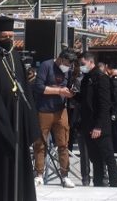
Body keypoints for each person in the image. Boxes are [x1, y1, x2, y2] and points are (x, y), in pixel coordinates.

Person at [0, 16, 40, 200]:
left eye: (11, 36)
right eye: (5, 36)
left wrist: (30, 122)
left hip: (16, 118)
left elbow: (26, 90)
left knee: (17, 164)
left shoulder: (15, 57)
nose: (9, 39)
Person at [31, 48, 76, 188]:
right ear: (60, 59)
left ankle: (65, 175)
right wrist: (59, 91)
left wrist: (71, 92)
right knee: (40, 143)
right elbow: (39, 87)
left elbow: (69, 86)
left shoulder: (68, 70)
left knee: (63, 143)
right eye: (66, 64)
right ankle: (39, 174)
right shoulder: (46, 65)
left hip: (61, 110)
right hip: (44, 110)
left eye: (70, 65)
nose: (67, 67)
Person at [75, 52, 117, 188]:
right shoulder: (86, 78)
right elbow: (84, 100)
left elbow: (105, 104)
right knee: (95, 157)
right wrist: (72, 95)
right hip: (88, 123)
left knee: (107, 155)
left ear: (91, 62)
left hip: (100, 125)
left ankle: (114, 183)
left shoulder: (102, 78)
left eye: (83, 64)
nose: (81, 66)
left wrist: (98, 126)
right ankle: (98, 183)